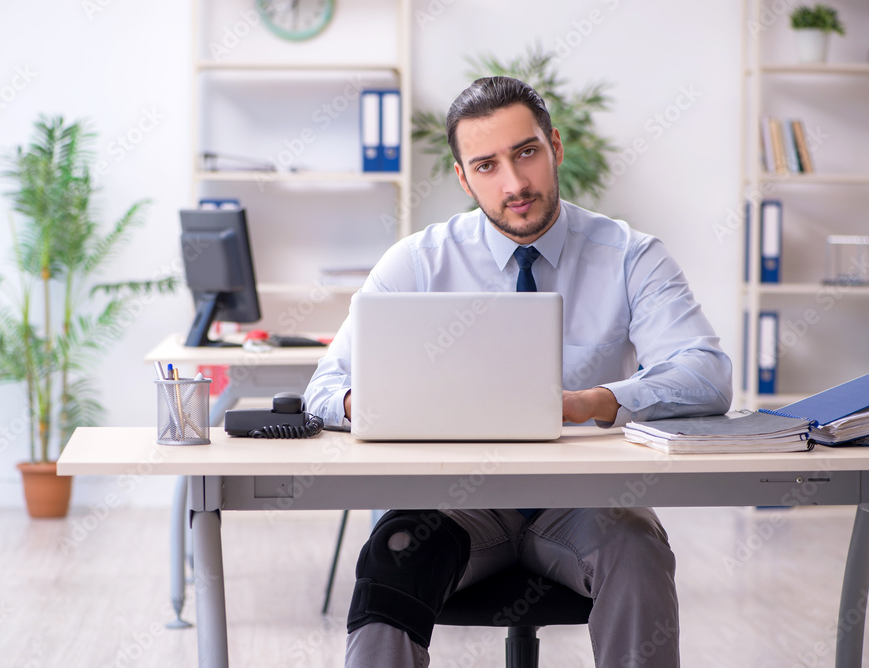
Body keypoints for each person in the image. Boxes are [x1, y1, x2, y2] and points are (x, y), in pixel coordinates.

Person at [304, 76, 732, 668]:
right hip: (454, 505)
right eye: (486, 165)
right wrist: (372, 403)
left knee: (638, 547)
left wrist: (587, 402)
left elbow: (706, 374)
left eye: (525, 153)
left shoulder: (631, 257)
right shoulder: (418, 262)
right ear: (462, 176)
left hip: (583, 502)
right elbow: (322, 390)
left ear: (554, 146)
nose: (514, 184)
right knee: (395, 550)